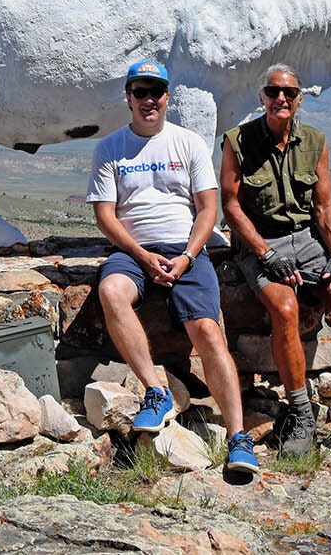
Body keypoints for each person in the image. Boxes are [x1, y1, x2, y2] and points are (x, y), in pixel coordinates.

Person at [89, 60, 260, 481]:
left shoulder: (188, 144)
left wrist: (187, 256)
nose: (149, 100)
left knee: (206, 330)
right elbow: (105, 216)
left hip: (187, 251)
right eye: (140, 92)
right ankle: (156, 390)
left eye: (156, 92)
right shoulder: (109, 148)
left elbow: (207, 209)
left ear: (167, 97)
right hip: (134, 251)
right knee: (112, 291)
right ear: (128, 97)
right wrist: (142, 256)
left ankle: (239, 438)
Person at [219, 63, 331, 455]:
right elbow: (230, 205)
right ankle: (299, 414)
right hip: (259, 240)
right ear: (262, 97)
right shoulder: (238, 141)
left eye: (290, 93)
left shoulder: (314, 141)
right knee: (284, 306)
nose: (282, 98)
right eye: (274, 91)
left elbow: (325, 204)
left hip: (307, 240)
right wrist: (266, 254)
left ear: (299, 99)